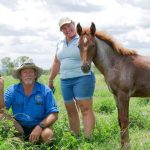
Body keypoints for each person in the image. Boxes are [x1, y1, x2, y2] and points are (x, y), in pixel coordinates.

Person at [48, 17, 95, 138]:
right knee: (70, 110)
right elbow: (56, 62)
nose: (67, 29)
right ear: (61, 31)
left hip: (82, 77)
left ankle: (88, 140)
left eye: (69, 26)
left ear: (74, 24)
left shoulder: (83, 38)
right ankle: (76, 137)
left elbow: (90, 51)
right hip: (65, 80)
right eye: (63, 28)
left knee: (85, 108)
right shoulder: (60, 43)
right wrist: (51, 79)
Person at [0, 59, 58, 144]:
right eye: (25, 72)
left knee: (48, 135)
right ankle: (20, 137)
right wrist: (0, 91)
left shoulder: (45, 90)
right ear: (20, 76)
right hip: (18, 126)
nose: (28, 75)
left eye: (31, 72)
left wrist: (40, 126)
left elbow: (54, 114)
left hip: (40, 126)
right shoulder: (12, 90)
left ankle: (37, 143)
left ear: (35, 75)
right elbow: (2, 110)